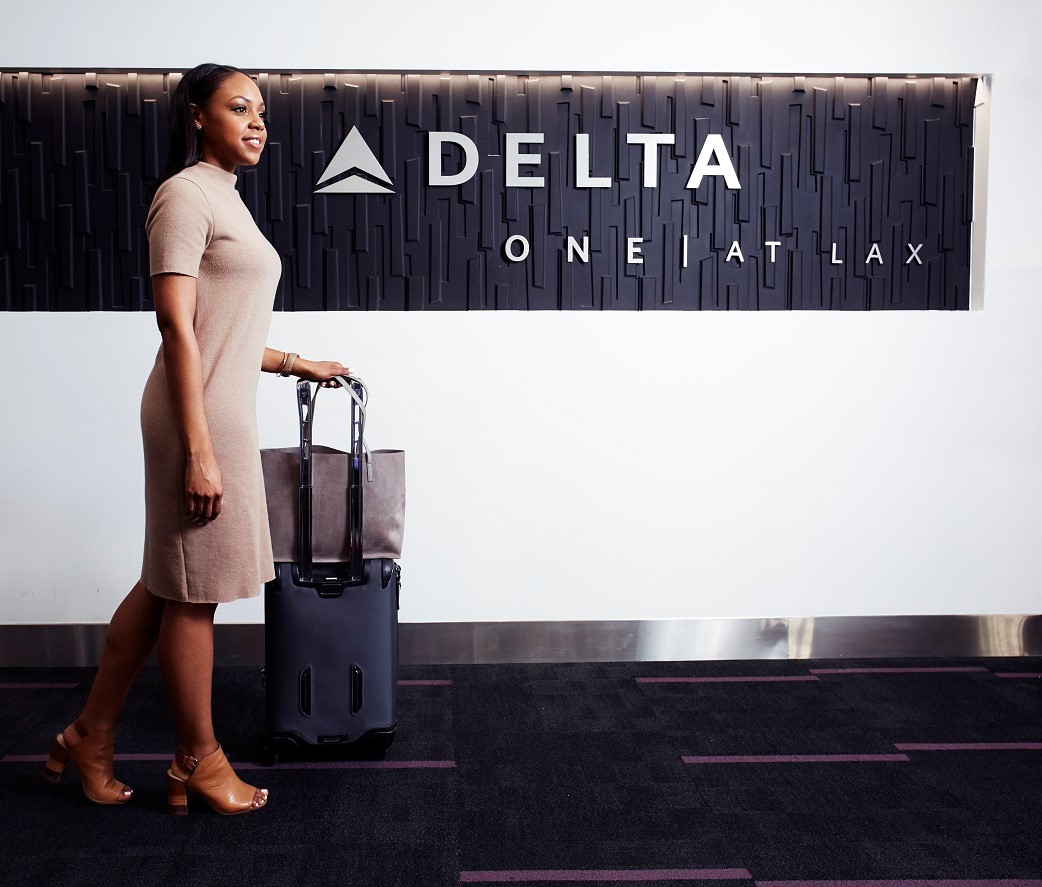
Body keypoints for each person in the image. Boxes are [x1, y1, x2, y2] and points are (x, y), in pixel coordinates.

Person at [42, 62, 349, 815]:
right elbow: (176, 325)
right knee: (194, 595)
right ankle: (197, 762)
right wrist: (200, 448)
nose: (256, 123)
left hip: (222, 406)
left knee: (163, 585)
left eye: (263, 113)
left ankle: (90, 735)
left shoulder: (227, 200)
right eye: (238, 107)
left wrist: (290, 361)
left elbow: (224, 328)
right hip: (194, 419)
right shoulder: (182, 196)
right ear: (195, 116)